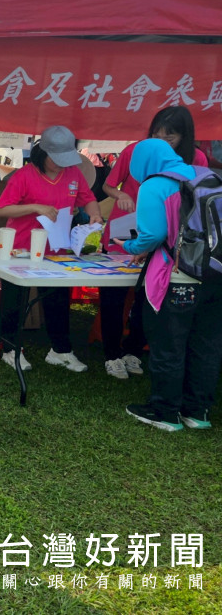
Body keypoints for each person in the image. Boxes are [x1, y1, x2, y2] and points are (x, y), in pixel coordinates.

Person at [121, 139, 222, 432]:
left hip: (179, 275)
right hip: (216, 275)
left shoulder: (154, 185)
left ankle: (164, 412)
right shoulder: (208, 176)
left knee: (169, 344)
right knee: (207, 345)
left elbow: (151, 236)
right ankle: (198, 411)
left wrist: (129, 245)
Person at [99, 106, 208, 380]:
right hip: (125, 232)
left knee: (149, 299)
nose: (160, 142)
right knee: (113, 297)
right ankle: (111, 354)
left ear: (184, 137)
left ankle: (133, 349)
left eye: (169, 137)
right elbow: (109, 186)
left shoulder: (196, 159)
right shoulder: (134, 150)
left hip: (166, 245)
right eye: (156, 134)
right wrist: (120, 195)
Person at [0, 126, 103, 375]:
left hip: (57, 248)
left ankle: (60, 350)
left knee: (57, 299)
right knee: (15, 300)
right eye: (57, 160)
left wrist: (94, 214)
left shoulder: (73, 173)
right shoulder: (24, 176)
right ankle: (10, 348)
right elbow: (1, 210)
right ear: (43, 154)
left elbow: (87, 198)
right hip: (21, 248)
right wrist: (35, 207)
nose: (61, 166)